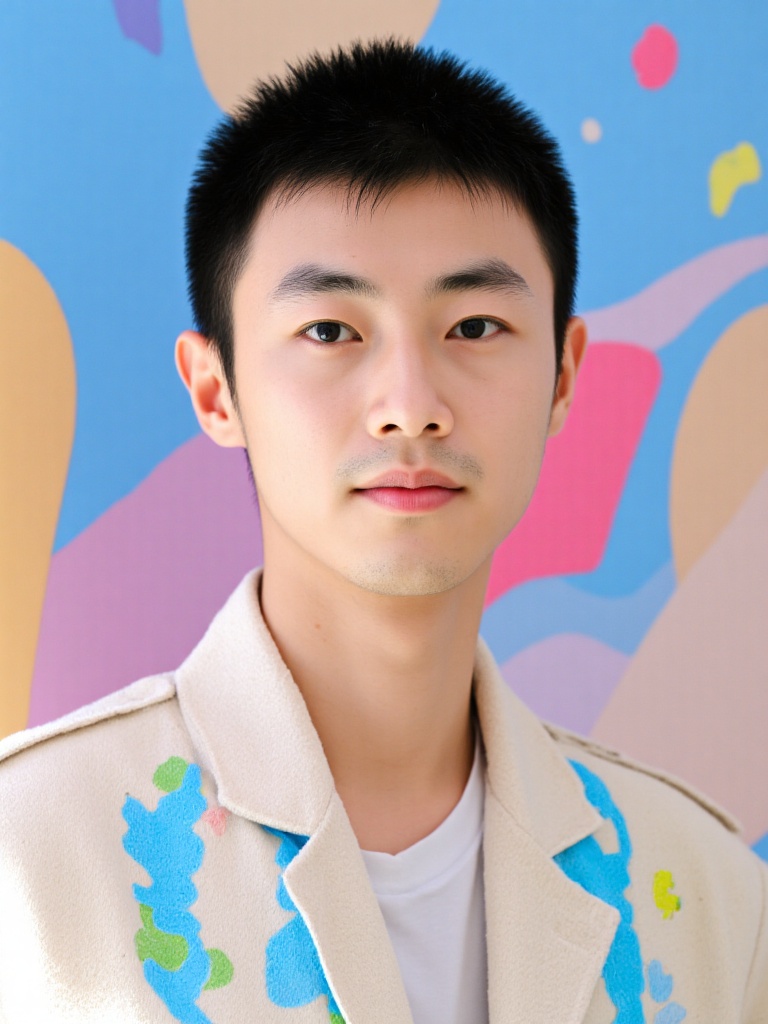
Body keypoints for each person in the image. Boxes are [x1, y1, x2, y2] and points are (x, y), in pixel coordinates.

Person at [0, 39, 766, 1024]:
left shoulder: (707, 897)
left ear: (565, 376)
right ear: (216, 389)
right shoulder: (29, 864)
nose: (411, 406)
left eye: (475, 327)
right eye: (330, 331)